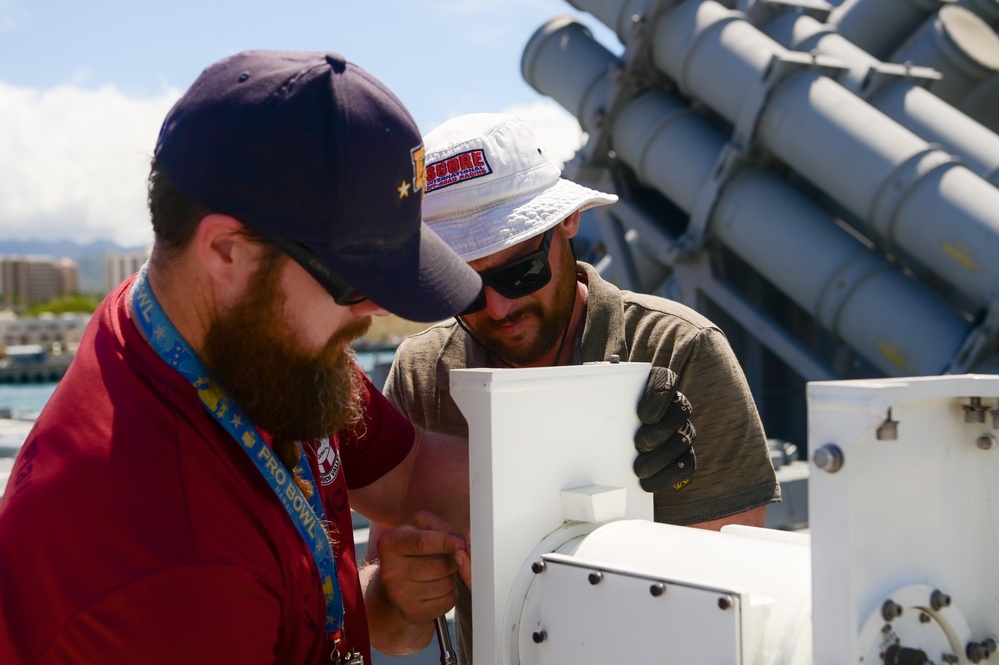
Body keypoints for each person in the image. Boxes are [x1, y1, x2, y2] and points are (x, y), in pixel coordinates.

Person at [0, 50, 481, 665]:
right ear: (226, 251)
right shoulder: (165, 560)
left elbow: (410, 473)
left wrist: (599, 470)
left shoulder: (241, 342)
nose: (368, 315)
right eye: (353, 284)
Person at [363, 113, 781, 662]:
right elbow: (400, 637)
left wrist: (664, 507)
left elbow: (737, 612)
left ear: (568, 223)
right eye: (463, 288)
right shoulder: (422, 372)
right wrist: (396, 597)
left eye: (521, 273)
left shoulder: (681, 351)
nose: (498, 307)